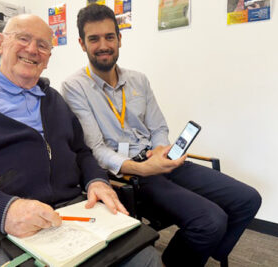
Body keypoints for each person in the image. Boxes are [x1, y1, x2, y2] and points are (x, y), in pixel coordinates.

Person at [0, 14, 161, 267]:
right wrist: (4, 211)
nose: (32, 49)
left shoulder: (55, 101)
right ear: (0, 43)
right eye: (23, 38)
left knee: (148, 259)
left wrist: (96, 180)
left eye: (42, 45)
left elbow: (81, 151)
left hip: (71, 214)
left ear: (48, 58)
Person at [61, 4, 262, 267]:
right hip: (129, 176)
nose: (103, 45)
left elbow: (158, 127)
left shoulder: (138, 80)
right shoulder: (74, 87)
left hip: (160, 161)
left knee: (247, 199)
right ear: (82, 43)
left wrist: (160, 151)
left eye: (109, 36)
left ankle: (208, 248)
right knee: (211, 220)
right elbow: (95, 149)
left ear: (120, 39)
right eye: (94, 38)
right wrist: (142, 168)